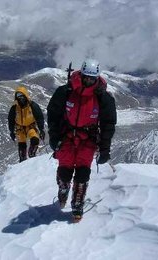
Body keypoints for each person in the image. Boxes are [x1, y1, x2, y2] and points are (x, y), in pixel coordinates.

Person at [47, 59, 117, 222]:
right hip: (66, 137)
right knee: (65, 170)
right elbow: (53, 114)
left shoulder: (102, 98)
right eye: (86, 77)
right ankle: (63, 188)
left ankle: (77, 202)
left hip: (88, 139)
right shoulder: (66, 91)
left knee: (83, 172)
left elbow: (108, 124)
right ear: (82, 74)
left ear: (97, 78)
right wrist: (54, 136)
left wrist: (104, 148)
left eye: (92, 79)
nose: (88, 81)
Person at [8, 85, 45, 163]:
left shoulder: (32, 105)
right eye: (18, 96)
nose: (20, 98)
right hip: (19, 128)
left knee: (35, 139)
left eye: (22, 95)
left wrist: (41, 129)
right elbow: (10, 120)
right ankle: (22, 160)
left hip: (31, 126)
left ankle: (32, 154)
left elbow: (39, 117)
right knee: (22, 144)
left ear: (25, 95)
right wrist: (11, 131)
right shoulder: (14, 108)